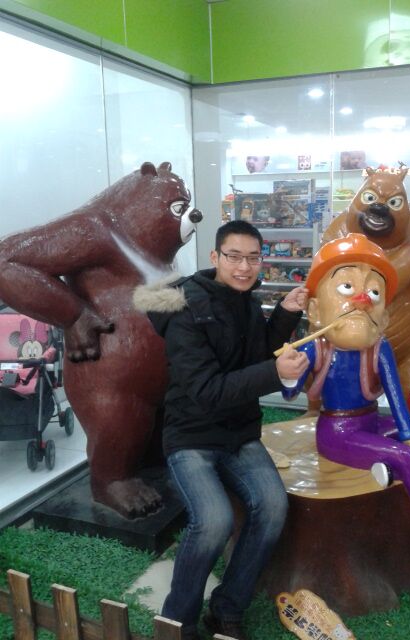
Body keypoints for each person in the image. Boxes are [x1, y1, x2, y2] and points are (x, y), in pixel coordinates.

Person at [147, 220, 309, 640]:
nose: (244, 267)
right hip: (191, 436)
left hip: (239, 433)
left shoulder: (247, 302)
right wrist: (275, 373)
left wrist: (285, 313)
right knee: (213, 520)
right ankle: (177, 623)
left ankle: (227, 610)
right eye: (234, 257)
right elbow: (206, 391)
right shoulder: (185, 309)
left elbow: (255, 354)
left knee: (273, 507)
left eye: (253, 258)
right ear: (215, 257)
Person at [282, 233, 410, 550]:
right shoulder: (315, 348)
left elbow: (396, 396)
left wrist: (409, 434)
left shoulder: (379, 347)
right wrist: (288, 376)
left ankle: (386, 468)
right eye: (347, 287)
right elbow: (290, 394)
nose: (362, 299)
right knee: (404, 453)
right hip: (337, 431)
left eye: (374, 292)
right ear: (316, 311)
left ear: (383, 316)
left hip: (371, 423)